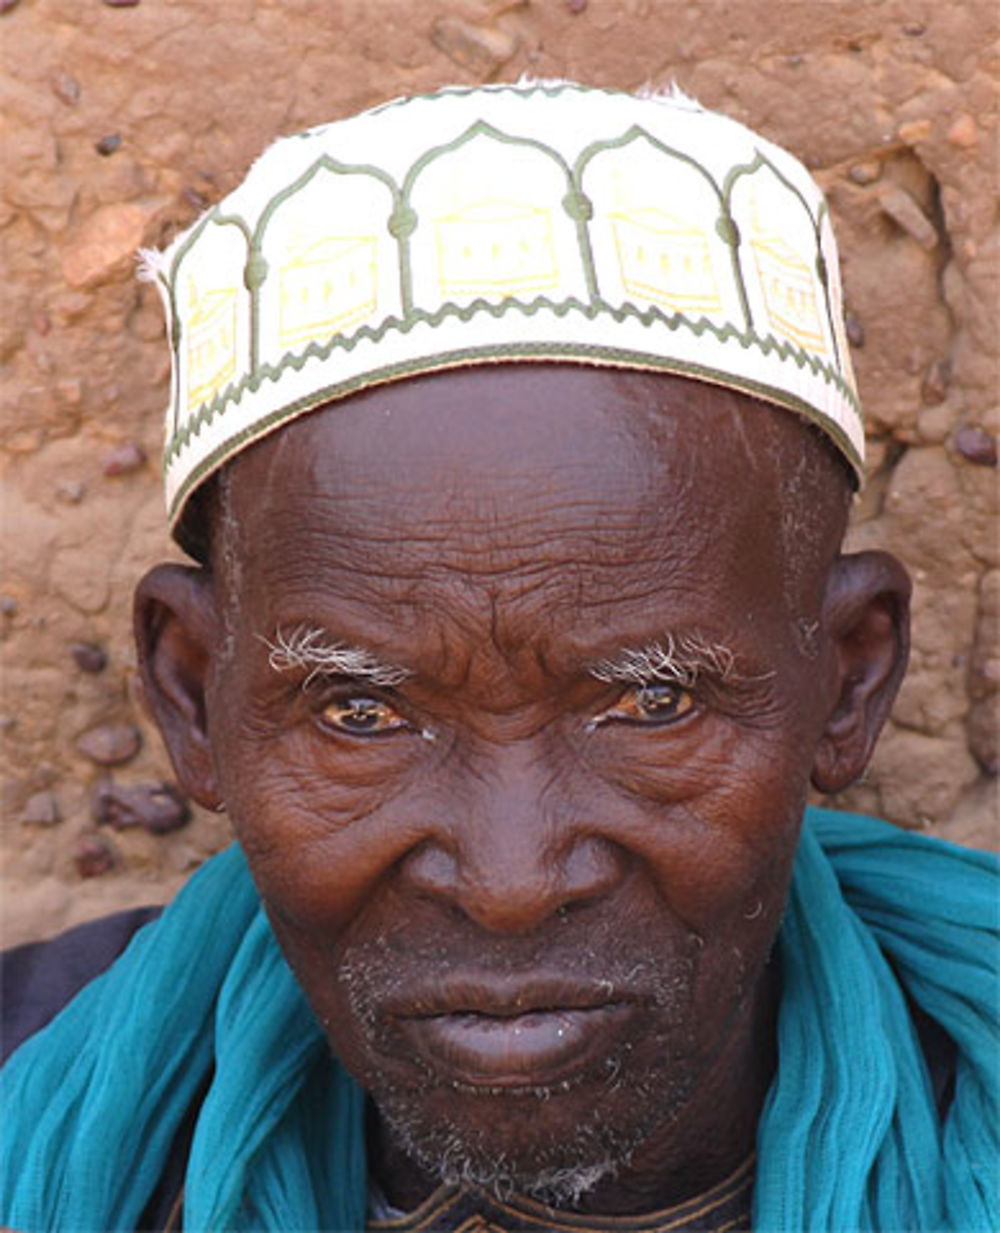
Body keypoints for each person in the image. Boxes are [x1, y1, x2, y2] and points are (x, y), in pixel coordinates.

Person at [1, 81, 996, 1233]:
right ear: (190, 697)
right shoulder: (30, 1081)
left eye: (652, 700)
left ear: (848, 679)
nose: (511, 883)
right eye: (360, 713)